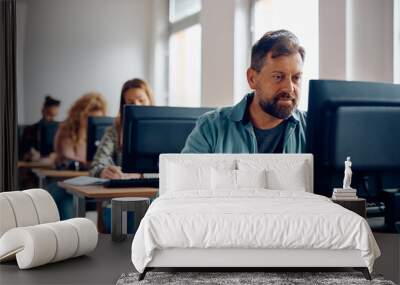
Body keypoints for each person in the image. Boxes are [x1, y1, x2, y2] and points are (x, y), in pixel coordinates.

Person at [182, 30, 307, 154]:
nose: (289, 88)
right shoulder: (211, 127)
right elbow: (186, 174)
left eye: (296, 78)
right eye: (278, 77)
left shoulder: (315, 128)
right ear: (252, 79)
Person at [89, 78, 155, 179]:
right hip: (125, 191)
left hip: (157, 191)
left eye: (141, 100)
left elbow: (171, 169)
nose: (137, 105)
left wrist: (140, 175)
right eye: (131, 102)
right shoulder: (115, 131)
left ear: (150, 101)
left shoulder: (165, 130)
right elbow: (95, 166)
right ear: (123, 105)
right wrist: (102, 171)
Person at [54, 92, 107, 170]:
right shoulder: (66, 131)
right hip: (67, 177)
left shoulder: (102, 133)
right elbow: (71, 158)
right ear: (79, 115)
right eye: (89, 118)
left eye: (97, 119)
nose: (93, 123)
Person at [20, 95, 61, 161]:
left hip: (52, 160)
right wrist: (30, 152)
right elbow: (24, 150)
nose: (57, 110)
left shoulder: (60, 127)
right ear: (44, 109)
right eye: (56, 107)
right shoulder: (30, 129)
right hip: (36, 161)